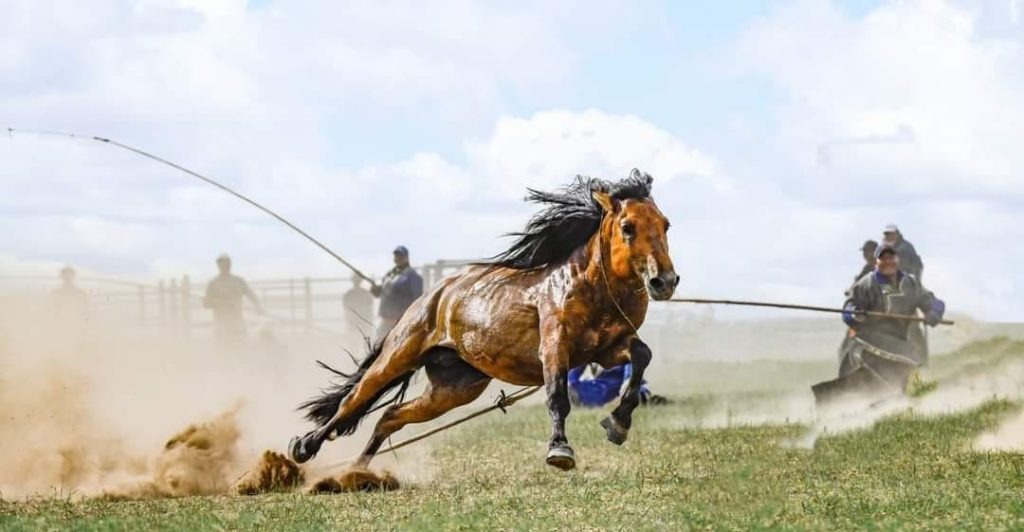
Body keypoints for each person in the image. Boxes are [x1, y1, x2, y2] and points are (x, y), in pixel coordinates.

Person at [837, 242, 945, 395]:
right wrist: (854, 313)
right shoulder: (865, 285)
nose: (888, 261)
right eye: (883, 258)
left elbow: (935, 303)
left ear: (897, 260)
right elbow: (848, 309)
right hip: (868, 342)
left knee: (909, 370)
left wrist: (934, 313)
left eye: (891, 257)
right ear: (876, 262)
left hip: (899, 342)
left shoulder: (911, 283)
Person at [203, 254, 263, 344]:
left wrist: (258, 306)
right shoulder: (213, 284)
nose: (225, 267)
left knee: (241, 347)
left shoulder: (238, 281)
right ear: (218, 266)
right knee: (223, 350)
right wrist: (217, 302)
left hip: (237, 322)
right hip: (221, 324)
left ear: (230, 265)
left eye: (227, 264)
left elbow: (251, 295)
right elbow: (206, 304)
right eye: (223, 265)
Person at [370, 246, 423, 339]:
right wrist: (376, 289)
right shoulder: (389, 275)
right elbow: (381, 293)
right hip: (385, 319)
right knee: (377, 346)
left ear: (406, 257)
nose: (398, 258)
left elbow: (418, 299)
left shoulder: (412, 276)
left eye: (401, 256)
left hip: (402, 321)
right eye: (396, 256)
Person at [568, 363, 667, 407]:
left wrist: (629, 381)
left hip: (623, 380)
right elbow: (576, 367)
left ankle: (641, 396)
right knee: (576, 391)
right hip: (603, 383)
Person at [342, 273, 374, 339]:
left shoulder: (348, 294)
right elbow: (370, 305)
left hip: (354, 321)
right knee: (364, 340)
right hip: (362, 320)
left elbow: (345, 307)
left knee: (353, 341)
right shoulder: (365, 293)